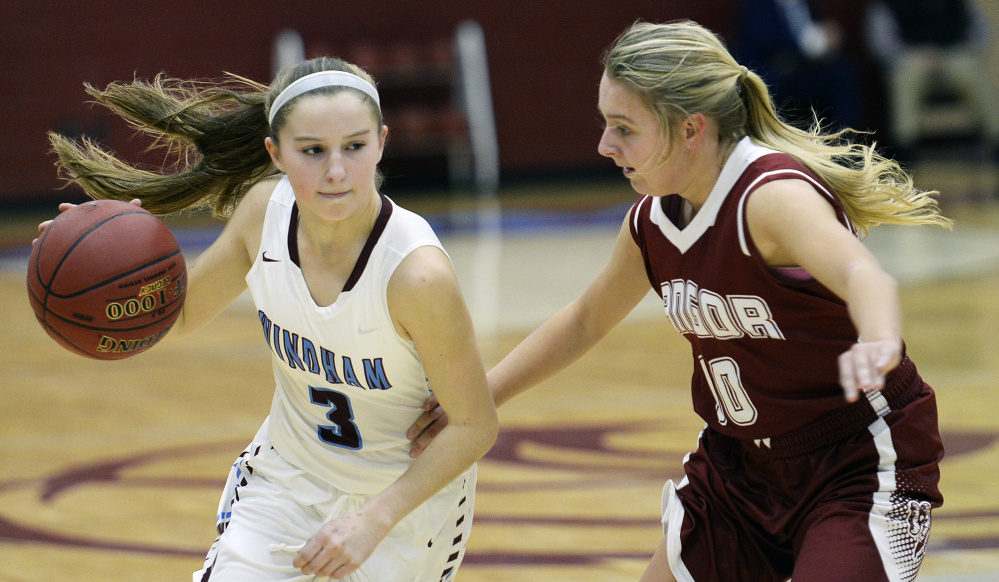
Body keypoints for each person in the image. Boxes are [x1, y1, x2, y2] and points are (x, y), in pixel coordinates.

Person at [408, 20, 949, 582]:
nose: (604, 145)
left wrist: (881, 339)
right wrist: (478, 398)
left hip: (856, 461)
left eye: (624, 128)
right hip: (738, 467)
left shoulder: (770, 196)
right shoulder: (653, 221)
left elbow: (865, 273)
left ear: (690, 129)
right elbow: (585, 320)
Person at [41, 57, 498, 581]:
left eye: (355, 146)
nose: (335, 171)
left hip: (404, 508)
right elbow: (180, 314)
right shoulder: (264, 215)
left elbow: (474, 425)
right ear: (275, 153)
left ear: (381, 142)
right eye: (312, 151)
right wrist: (89, 262)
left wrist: (374, 518)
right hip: (287, 481)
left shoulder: (416, 276)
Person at [865, 0, 999, 162]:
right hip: (910, 56)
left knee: (972, 70)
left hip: (953, 55)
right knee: (905, 77)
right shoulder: (888, 3)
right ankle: (903, 148)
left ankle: (995, 137)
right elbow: (880, 43)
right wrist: (913, 55)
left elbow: (981, 30)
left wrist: (964, 51)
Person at [732, 0, 866, 131]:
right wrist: (818, 42)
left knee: (844, 73)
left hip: (805, 68)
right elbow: (767, 44)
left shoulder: (806, 3)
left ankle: (847, 140)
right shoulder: (759, 4)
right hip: (775, 72)